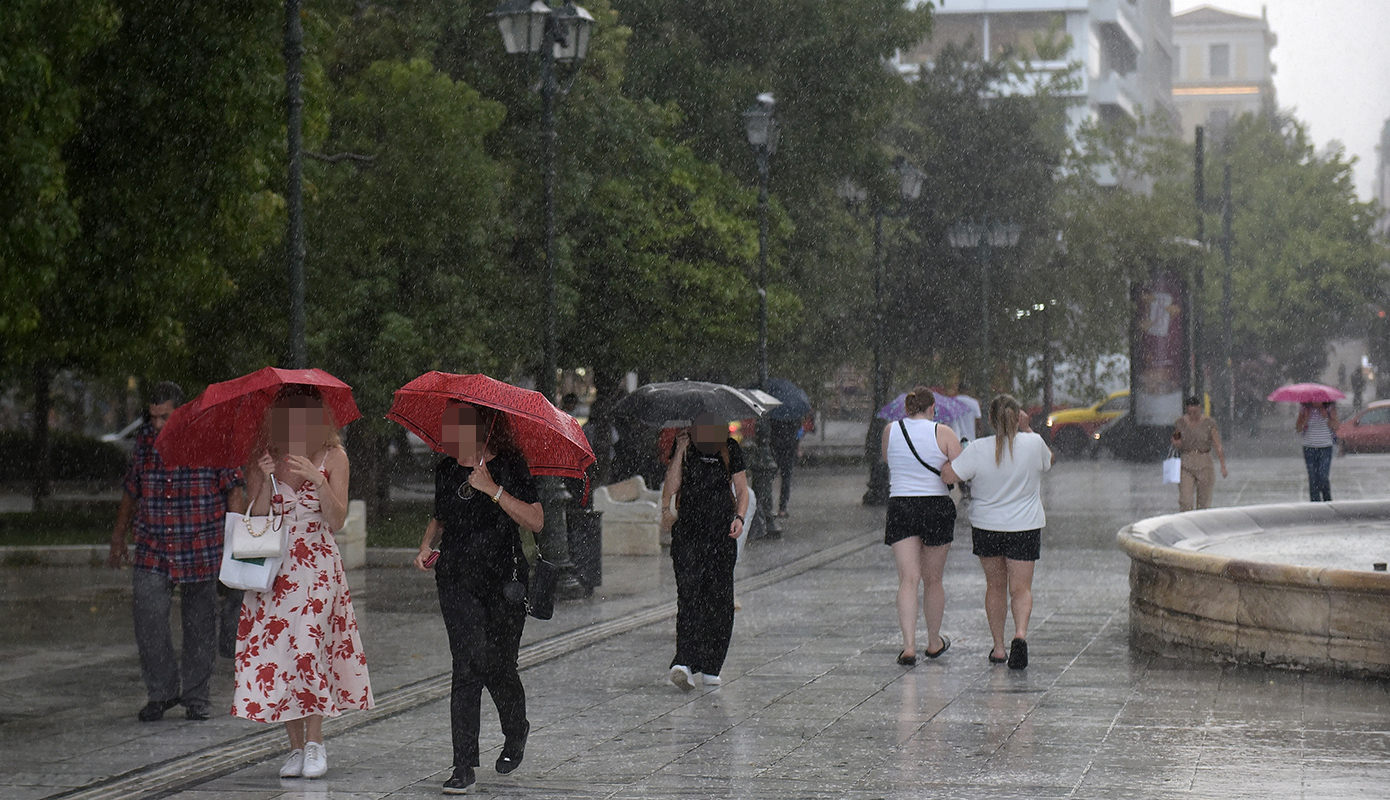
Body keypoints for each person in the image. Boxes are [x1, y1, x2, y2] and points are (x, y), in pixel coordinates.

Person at [232, 386, 373, 780]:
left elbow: (338, 519)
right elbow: (256, 520)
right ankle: (294, 748)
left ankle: (315, 744)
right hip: (273, 571)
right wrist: (260, 479)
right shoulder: (265, 459)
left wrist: (318, 479)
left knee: (308, 650)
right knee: (279, 657)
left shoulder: (334, 457)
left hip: (316, 567)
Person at [414, 402, 543, 795]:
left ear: (479, 429)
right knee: (467, 665)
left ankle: (515, 728)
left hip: (504, 581)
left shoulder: (509, 465)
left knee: (499, 666)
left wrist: (493, 488)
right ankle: (463, 764)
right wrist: (425, 546)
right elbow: (441, 516)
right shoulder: (447, 468)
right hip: (456, 579)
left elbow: (535, 520)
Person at [107, 381, 246, 722]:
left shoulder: (211, 437)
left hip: (201, 544)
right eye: (153, 417)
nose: (157, 425)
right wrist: (118, 536)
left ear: (181, 412)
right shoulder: (145, 442)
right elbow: (132, 488)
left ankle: (196, 697)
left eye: (164, 417)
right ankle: (162, 692)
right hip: (154, 545)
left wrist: (236, 538)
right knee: (148, 616)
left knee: (199, 624)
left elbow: (233, 490)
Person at [942, 395, 1053, 670]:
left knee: (995, 586)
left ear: (990, 420)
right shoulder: (1033, 443)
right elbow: (1048, 462)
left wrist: (952, 456)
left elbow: (949, 476)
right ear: (1019, 417)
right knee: (1021, 588)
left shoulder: (978, 449)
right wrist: (1027, 429)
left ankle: (1000, 648)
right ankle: (1020, 635)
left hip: (988, 527)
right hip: (1024, 527)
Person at [659, 413, 750, 690]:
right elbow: (671, 488)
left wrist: (740, 518)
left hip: (721, 533)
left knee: (720, 599)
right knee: (689, 595)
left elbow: (742, 490)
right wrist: (681, 452)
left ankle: (711, 665)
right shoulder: (683, 446)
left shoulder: (729, 447)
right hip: (688, 532)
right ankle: (683, 662)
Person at [881, 386, 962, 666]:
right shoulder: (944, 433)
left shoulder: (891, 431)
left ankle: (908, 646)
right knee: (933, 580)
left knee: (908, 579)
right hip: (936, 506)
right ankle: (934, 641)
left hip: (901, 504)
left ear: (906, 409)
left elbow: (888, 460)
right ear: (932, 409)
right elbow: (960, 469)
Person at [1171, 396, 1228, 511]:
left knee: (1204, 503)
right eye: (1190, 412)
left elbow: (1217, 444)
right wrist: (1176, 442)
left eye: (1195, 412)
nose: (1193, 415)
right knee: (1185, 501)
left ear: (1200, 408)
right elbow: (1175, 438)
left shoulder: (1209, 423)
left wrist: (1223, 465)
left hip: (1204, 461)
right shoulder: (1180, 423)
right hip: (1186, 462)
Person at [1296, 401, 1338, 502]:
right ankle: (1315, 504)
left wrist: (1326, 416)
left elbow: (1336, 426)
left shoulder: (1329, 409)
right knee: (1313, 478)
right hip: (1309, 447)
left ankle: (1327, 500)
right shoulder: (1305, 409)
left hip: (1325, 447)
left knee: (1323, 476)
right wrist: (1305, 418)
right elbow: (1298, 428)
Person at [768, 416, 802, 518]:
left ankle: (767, 506)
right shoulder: (794, 414)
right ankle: (782, 509)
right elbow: (798, 433)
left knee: (770, 477)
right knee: (786, 478)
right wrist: (798, 448)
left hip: (776, 448)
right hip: (789, 448)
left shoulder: (774, 415)